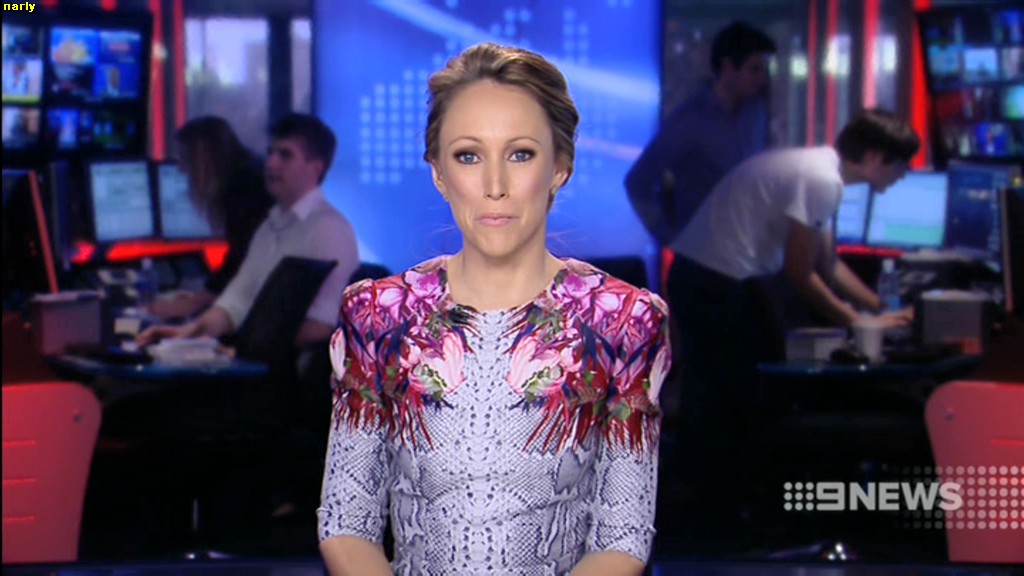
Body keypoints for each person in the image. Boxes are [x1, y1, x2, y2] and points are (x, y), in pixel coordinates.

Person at [318, 43, 671, 575]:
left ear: (560, 167)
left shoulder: (623, 321)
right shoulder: (379, 315)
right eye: (469, 156)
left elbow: (623, 536)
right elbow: (346, 521)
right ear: (438, 173)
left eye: (520, 154)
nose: (495, 187)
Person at [669, 108, 920, 549]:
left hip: (708, 278)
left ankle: (724, 524)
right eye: (900, 165)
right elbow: (801, 274)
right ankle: (720, 532)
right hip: (715, 283)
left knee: (725, 402)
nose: (902, 176)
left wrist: (881, 309)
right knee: (727, 406)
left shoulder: (821, 170)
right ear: (876, 157)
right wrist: (861, 323)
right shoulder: (822, 180)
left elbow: (828, 265)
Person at [137, 112, 358, 349]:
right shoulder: (270, 226)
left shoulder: (329, 231)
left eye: (285, 155)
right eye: (271, 152)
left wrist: (235, 351)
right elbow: (235, 302)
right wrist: (185, 335)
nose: (271, 163)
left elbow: (317, 330)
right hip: (251, 357)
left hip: (276, 367)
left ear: (315, 168)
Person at [626, 20, 777, 245]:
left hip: (749, 249)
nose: (763, 78)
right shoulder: (689, 120)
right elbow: (638, 182)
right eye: (755, 69)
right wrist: (671, 237)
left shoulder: (756, 113)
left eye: (764, 70)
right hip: (702, 255)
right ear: (728, 67)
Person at [149, 115, 274, 320]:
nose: (181, 168)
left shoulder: (244, 187)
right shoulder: (249, 174)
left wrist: (193, 303)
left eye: (185, 158)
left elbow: (241, 258)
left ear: (203, 158)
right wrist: (202, 297)